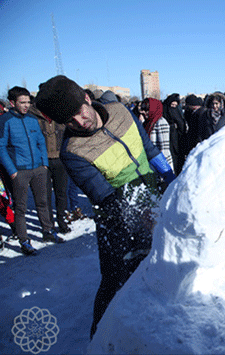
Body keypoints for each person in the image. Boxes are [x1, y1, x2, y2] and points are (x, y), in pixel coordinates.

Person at [35, 75, 175, 338]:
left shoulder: (121, 111)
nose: (78, 122)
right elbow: (105, 198)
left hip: (151, 197)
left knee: (153, 267)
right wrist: (138, 218)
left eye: (78, 112)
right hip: (117, 219)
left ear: (87, 99)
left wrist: (171, 180)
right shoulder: (73, 151)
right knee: (116, 278)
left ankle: (149, 330)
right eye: (69, 121)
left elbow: (148, 149)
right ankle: (100, 338)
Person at [0, 87, 61, 256]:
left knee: (43, 203)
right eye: (22, 102)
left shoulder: (33, 120)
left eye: (28, 102)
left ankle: (48, 231)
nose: (27, 105)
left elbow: (41, 142)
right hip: (19, 171)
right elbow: (1, 147)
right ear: (12, 103)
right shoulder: (5, 120)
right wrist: (12, 170)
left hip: (39, 169)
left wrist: (44, 164)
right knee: (21, 208)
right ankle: (24, 241)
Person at [31, 104, 71, 234]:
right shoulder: (33, 116)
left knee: (62, 193)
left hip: (60, 159)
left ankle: (62, 221)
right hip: (42, 161)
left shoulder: (60, 114)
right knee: (45, 195)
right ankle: (48, 225)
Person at [141, 98, 174, 175]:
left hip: (160, 165)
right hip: (150, 163)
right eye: (143, 109)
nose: (144, 112)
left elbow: (164, 149)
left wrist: (164, 170)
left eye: (146, 110)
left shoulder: (161, 122)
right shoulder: (147, 123)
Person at [163, 94, 189, 175]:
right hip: (169, 140)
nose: (173, 107)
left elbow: (182, 125)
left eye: (175, 105)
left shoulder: (178, 113)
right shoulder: (165, 113)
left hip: (179, 140)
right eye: (172, 105)